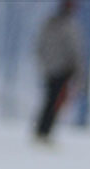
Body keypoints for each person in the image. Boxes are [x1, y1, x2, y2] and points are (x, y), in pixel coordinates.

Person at [34, 0, 84, 143]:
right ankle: (43, 131)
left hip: (55, 69)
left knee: (52, 101)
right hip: (60, 69)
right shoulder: (68, 25)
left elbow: (40, 45)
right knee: (53, 101)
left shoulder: (53, 23)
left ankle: (43, 130)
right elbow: (75, 51)